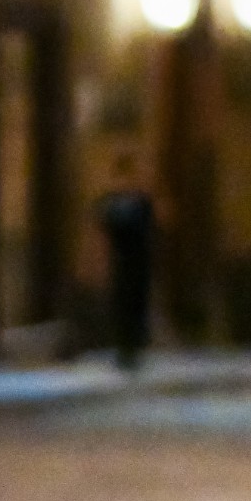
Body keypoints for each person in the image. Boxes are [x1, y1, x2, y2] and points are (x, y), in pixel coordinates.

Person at [95, 153, 156, 372]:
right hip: (122, 263)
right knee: (123, 305)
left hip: (137, 263)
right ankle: (126, 348)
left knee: (135, 304)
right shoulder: (113, 203)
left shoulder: (140, 202)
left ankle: (133, 346)